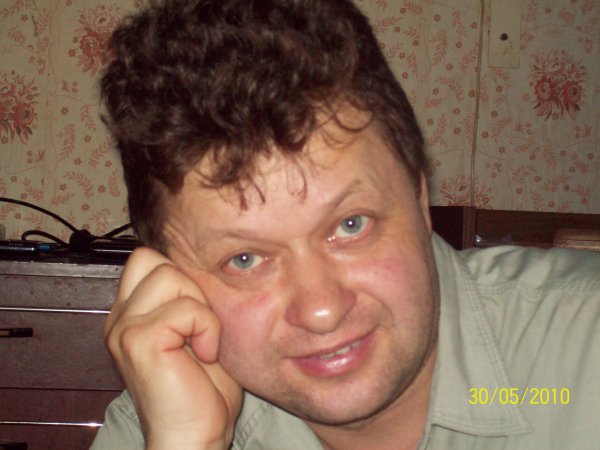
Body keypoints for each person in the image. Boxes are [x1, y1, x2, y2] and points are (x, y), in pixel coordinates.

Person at [91, 0, 600, 449]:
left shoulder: (584, 357)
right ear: (173, 278)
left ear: (420, 197)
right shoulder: (164, 422)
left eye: (351, 225)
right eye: (244, 259)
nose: (322, 311)